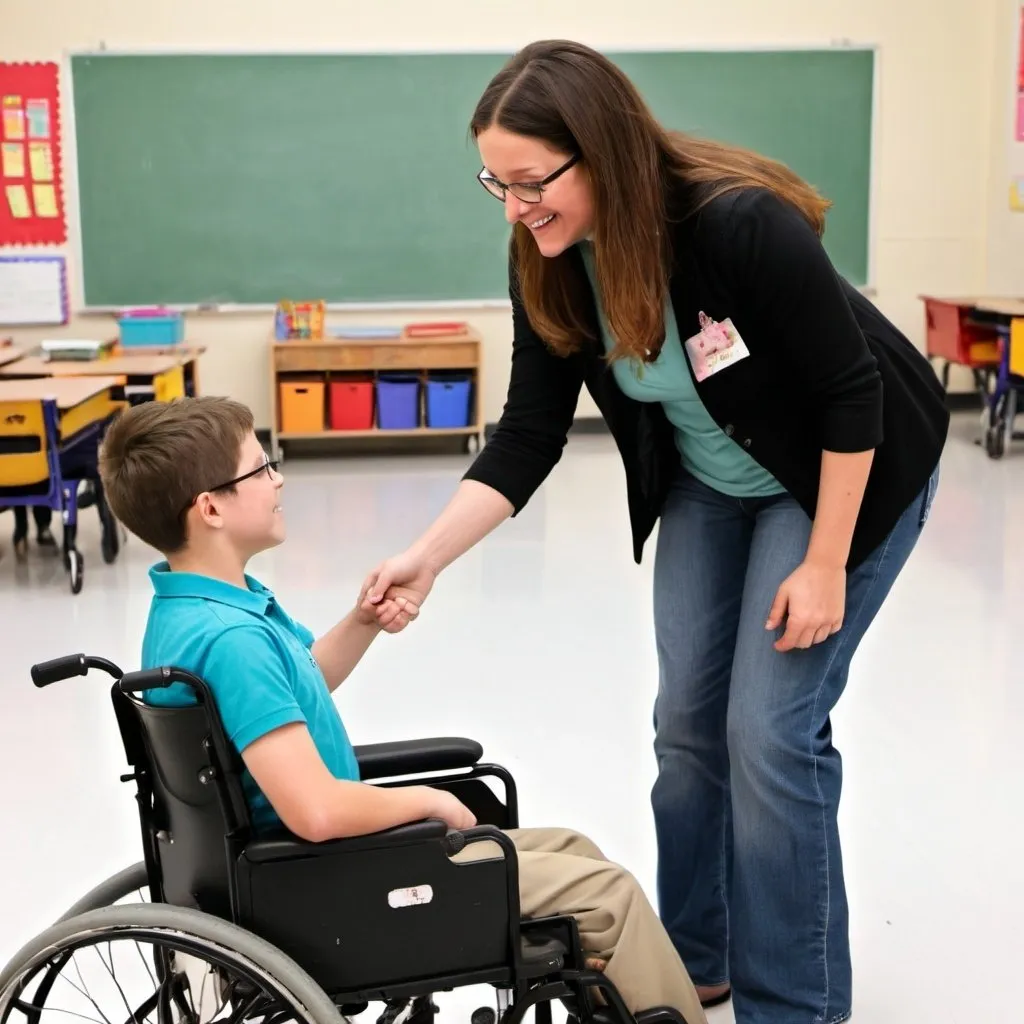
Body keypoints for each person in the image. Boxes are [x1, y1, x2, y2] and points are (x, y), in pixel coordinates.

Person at [360, 40, 949, 1024]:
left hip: (847, 469)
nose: (513, 207)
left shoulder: (738, 227)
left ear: (598, 152)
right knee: (686, 726)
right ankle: (696, 960)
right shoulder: (545, 261)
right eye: (493, 184)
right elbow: (528, 436)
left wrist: (824, 562)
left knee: (768, 731)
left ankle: (792, 1003)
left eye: (529, 182)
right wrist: (424, 557)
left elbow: (852, 396)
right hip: (714, 484)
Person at [96, 395, 708, 1024]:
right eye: (260, 468)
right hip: (333, 881)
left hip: (296, 866)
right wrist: (429, 801)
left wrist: (362, 623)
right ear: (211, 508)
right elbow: (316, 809)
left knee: (576, 848)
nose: (278, 478)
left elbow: (297, 687)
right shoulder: (234, 641)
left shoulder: (198, 614)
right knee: (613, 896)